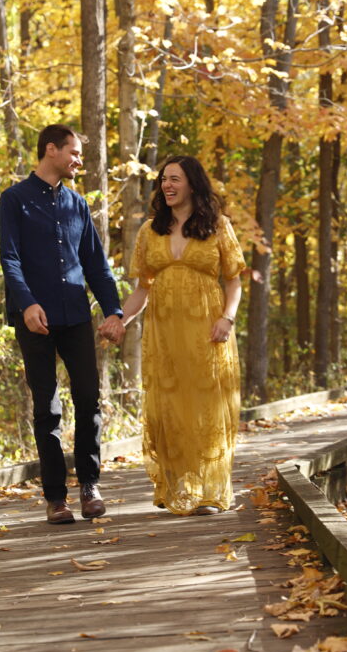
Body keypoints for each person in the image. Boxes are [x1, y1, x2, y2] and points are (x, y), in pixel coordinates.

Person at [101, 155, 244, 516]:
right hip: (163, 336)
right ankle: (180, 487)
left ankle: (211, 491)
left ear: (193, 184)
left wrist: (227, 319)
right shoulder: (151, 231)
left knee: (206, 408)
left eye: (174, 179)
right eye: (164, 179)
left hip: (207, 333)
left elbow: (234, 281)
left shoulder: (218, 226)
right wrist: (120, 319)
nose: (166, 185)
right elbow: (142, 290)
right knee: (171, 410)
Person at [0, 124, 125, 525]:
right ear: (50, 150)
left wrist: (114, 311)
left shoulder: (77, 205)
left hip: (74, 316)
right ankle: (55, 497)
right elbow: (10, 259)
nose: (78, 160)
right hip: (34, 319)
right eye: (73, 152)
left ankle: (90, 485)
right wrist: (27, 303)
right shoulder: (14, 200)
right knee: (46, 407)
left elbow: (95, 264)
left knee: (88, 400)